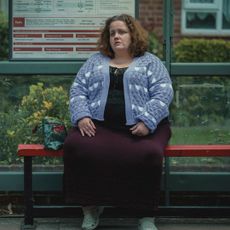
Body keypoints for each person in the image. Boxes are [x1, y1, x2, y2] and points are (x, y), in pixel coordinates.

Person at [63, 14, 173, 230]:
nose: (116, 36)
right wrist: (83, 115)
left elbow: (164, 93)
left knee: (148, 154)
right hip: (99, 125)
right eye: (112, 32)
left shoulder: (151, 62)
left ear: (133, 35)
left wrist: (147, 120)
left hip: (140, 128)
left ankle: (146, 214)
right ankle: (90, 208)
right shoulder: (95, 61)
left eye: (121, 31)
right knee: (75, 146)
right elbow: (77, 89)